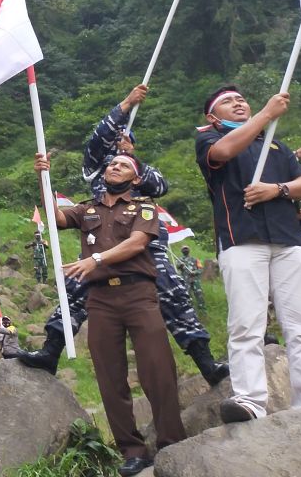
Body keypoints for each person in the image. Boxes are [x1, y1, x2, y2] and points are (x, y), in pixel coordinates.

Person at [21, 85, 229, 387]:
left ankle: (206, 362)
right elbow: (98, 138)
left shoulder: (142, 175)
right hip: (100, 242)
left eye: (125, 146)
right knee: (73, 291)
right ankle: (51, 351)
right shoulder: (96, 168)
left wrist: (134, 160)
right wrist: (127, 104)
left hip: (145, 245)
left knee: (173, 296)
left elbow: (161, 187)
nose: (118, 154)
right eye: (115, 149)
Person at [41, 152, 185, 477]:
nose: (113, 167)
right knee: (109, 375)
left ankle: (171, 440)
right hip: (100, 299)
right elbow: (56, 219)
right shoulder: (86, 208)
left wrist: (96, 260)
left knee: (157, 368)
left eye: (122, 165)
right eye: (111, 164)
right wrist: (44, 179)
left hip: (138, 293)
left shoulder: (144, 206)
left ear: (135, 179)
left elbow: (137, 243)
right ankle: (132, 450)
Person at [195, 85, 301, 423]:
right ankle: (250, 400)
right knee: (246, 324)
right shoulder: (209, 139)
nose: (237, 102)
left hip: (288, 239)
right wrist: (266, 113)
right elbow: (222, 153)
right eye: (227, 101)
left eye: (241, 98)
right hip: (242, 240)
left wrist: (275, 190)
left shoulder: (277, 144)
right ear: (213, 116)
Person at [175, 245, 205, 313]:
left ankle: (202, 310)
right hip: (186, 280)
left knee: (199, 295)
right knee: (187, 295)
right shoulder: (180, 260)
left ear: (189, 250)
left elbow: (200, 269)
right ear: (181, 251)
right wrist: (181, 265)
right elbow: (177, 267)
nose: (185, 250)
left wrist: (195, 272)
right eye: (184, 249)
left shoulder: (195, 259)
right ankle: (190, 311)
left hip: (195, 280)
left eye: (186, 248)